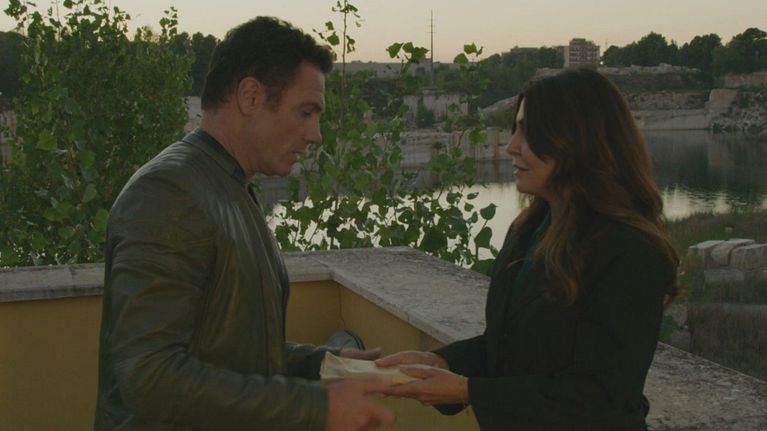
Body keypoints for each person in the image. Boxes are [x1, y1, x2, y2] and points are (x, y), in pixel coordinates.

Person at [93, 17, 394, 431]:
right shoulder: (169, 192)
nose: (316, 135)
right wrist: (315, 407)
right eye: (306, 112)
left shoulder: (226, 186)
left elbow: (230, 353)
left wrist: (328, 366)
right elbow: (150, 377)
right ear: (250, 97)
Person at [376, 68, 680, 431]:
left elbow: (602, 397)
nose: (511, 146)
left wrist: (467, 391)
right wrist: (442, 363)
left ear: (578, 141)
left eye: (528, 132)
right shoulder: (531, 229)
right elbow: (509, 346)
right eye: (515, 129)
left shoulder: (630, 251)